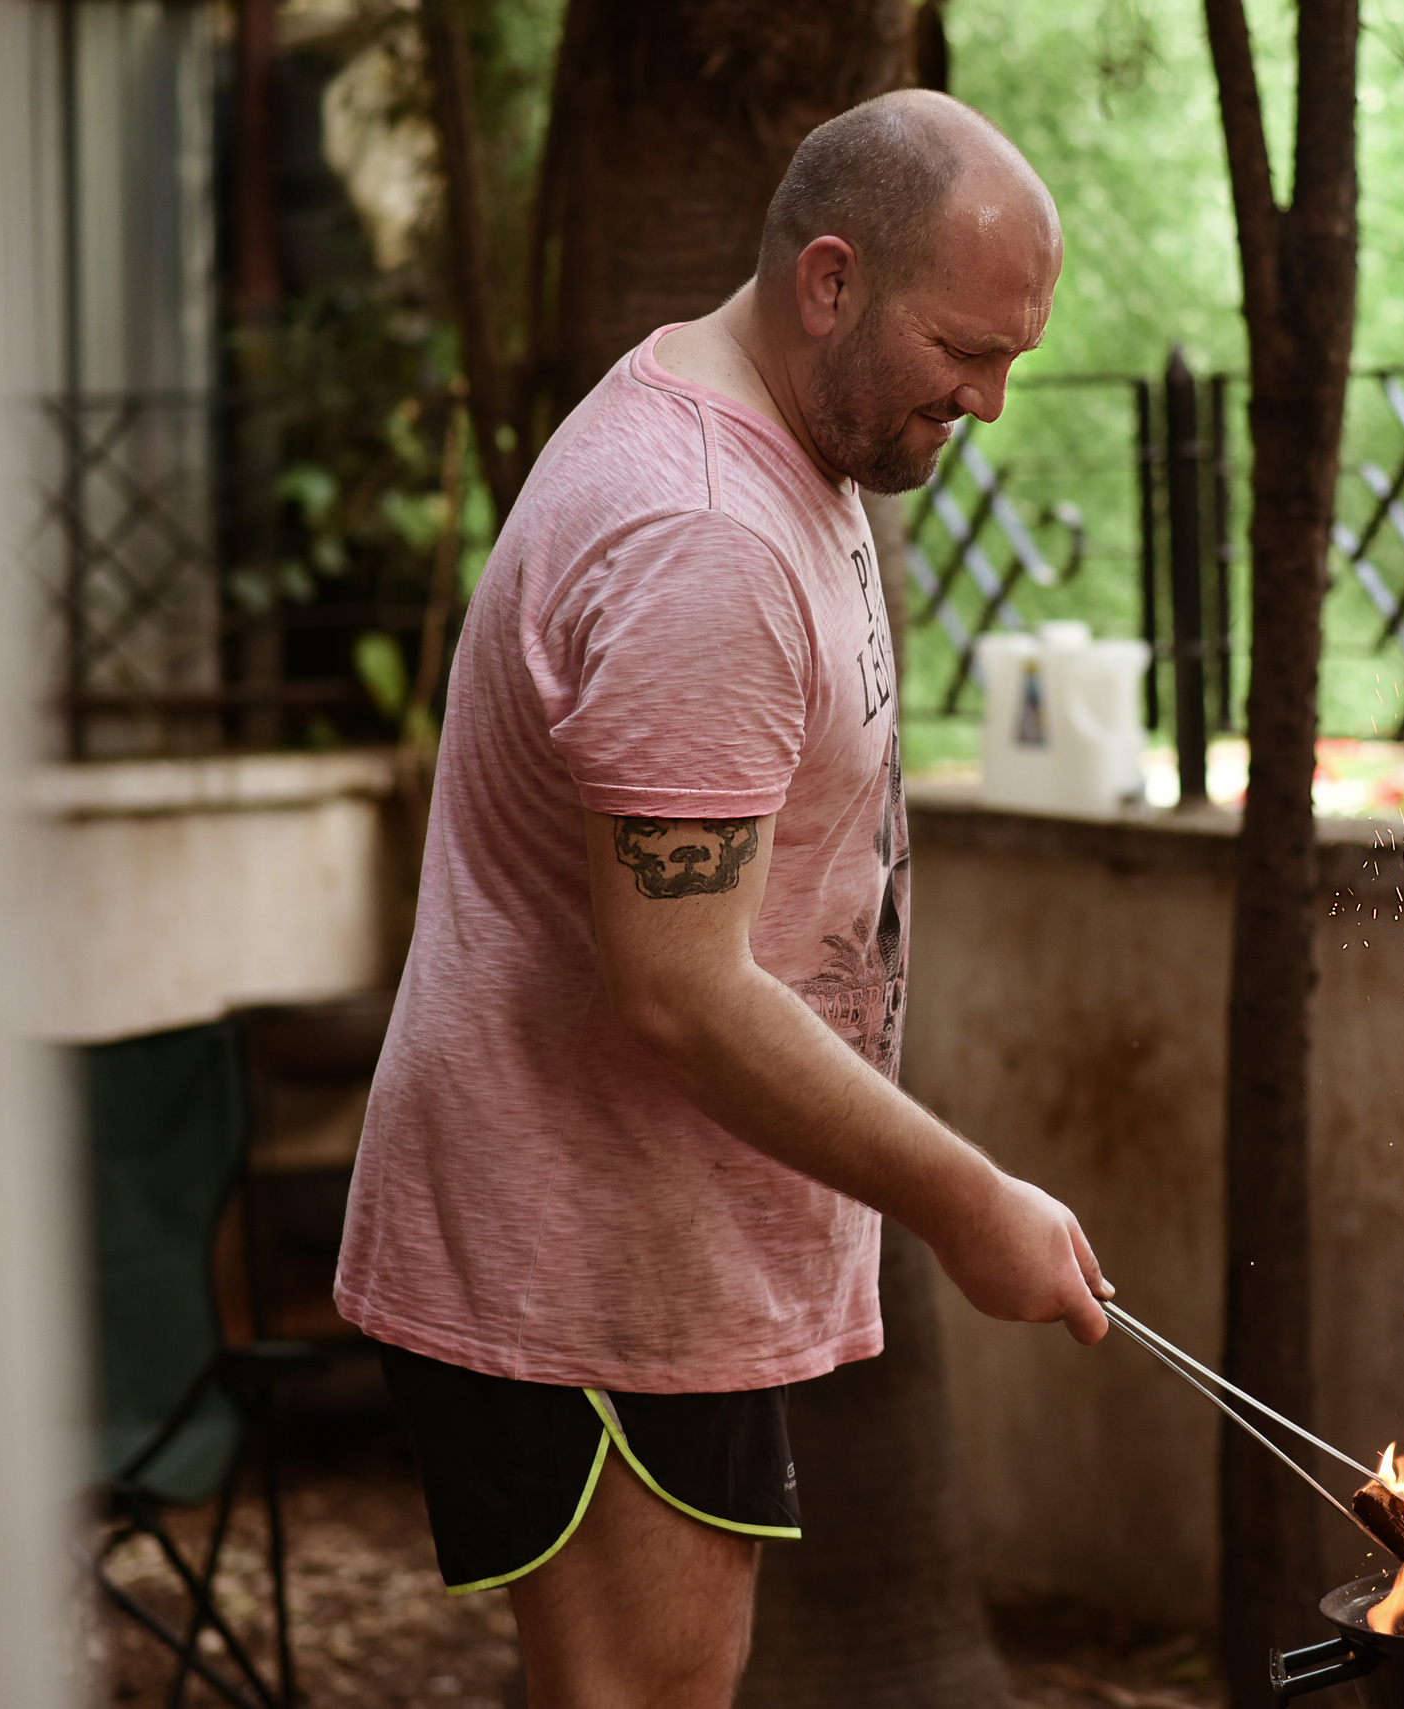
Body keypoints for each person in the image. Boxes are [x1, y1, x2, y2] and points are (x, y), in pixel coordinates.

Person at [335, 91, 1106, 1709]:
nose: (992, 398)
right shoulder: (702, 537)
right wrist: (967, 1203)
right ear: (830, 280)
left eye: (1016, 358)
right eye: (970, 349)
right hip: (586, 1261)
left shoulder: (784, 442)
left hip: (651, 1239)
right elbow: (681, 988)